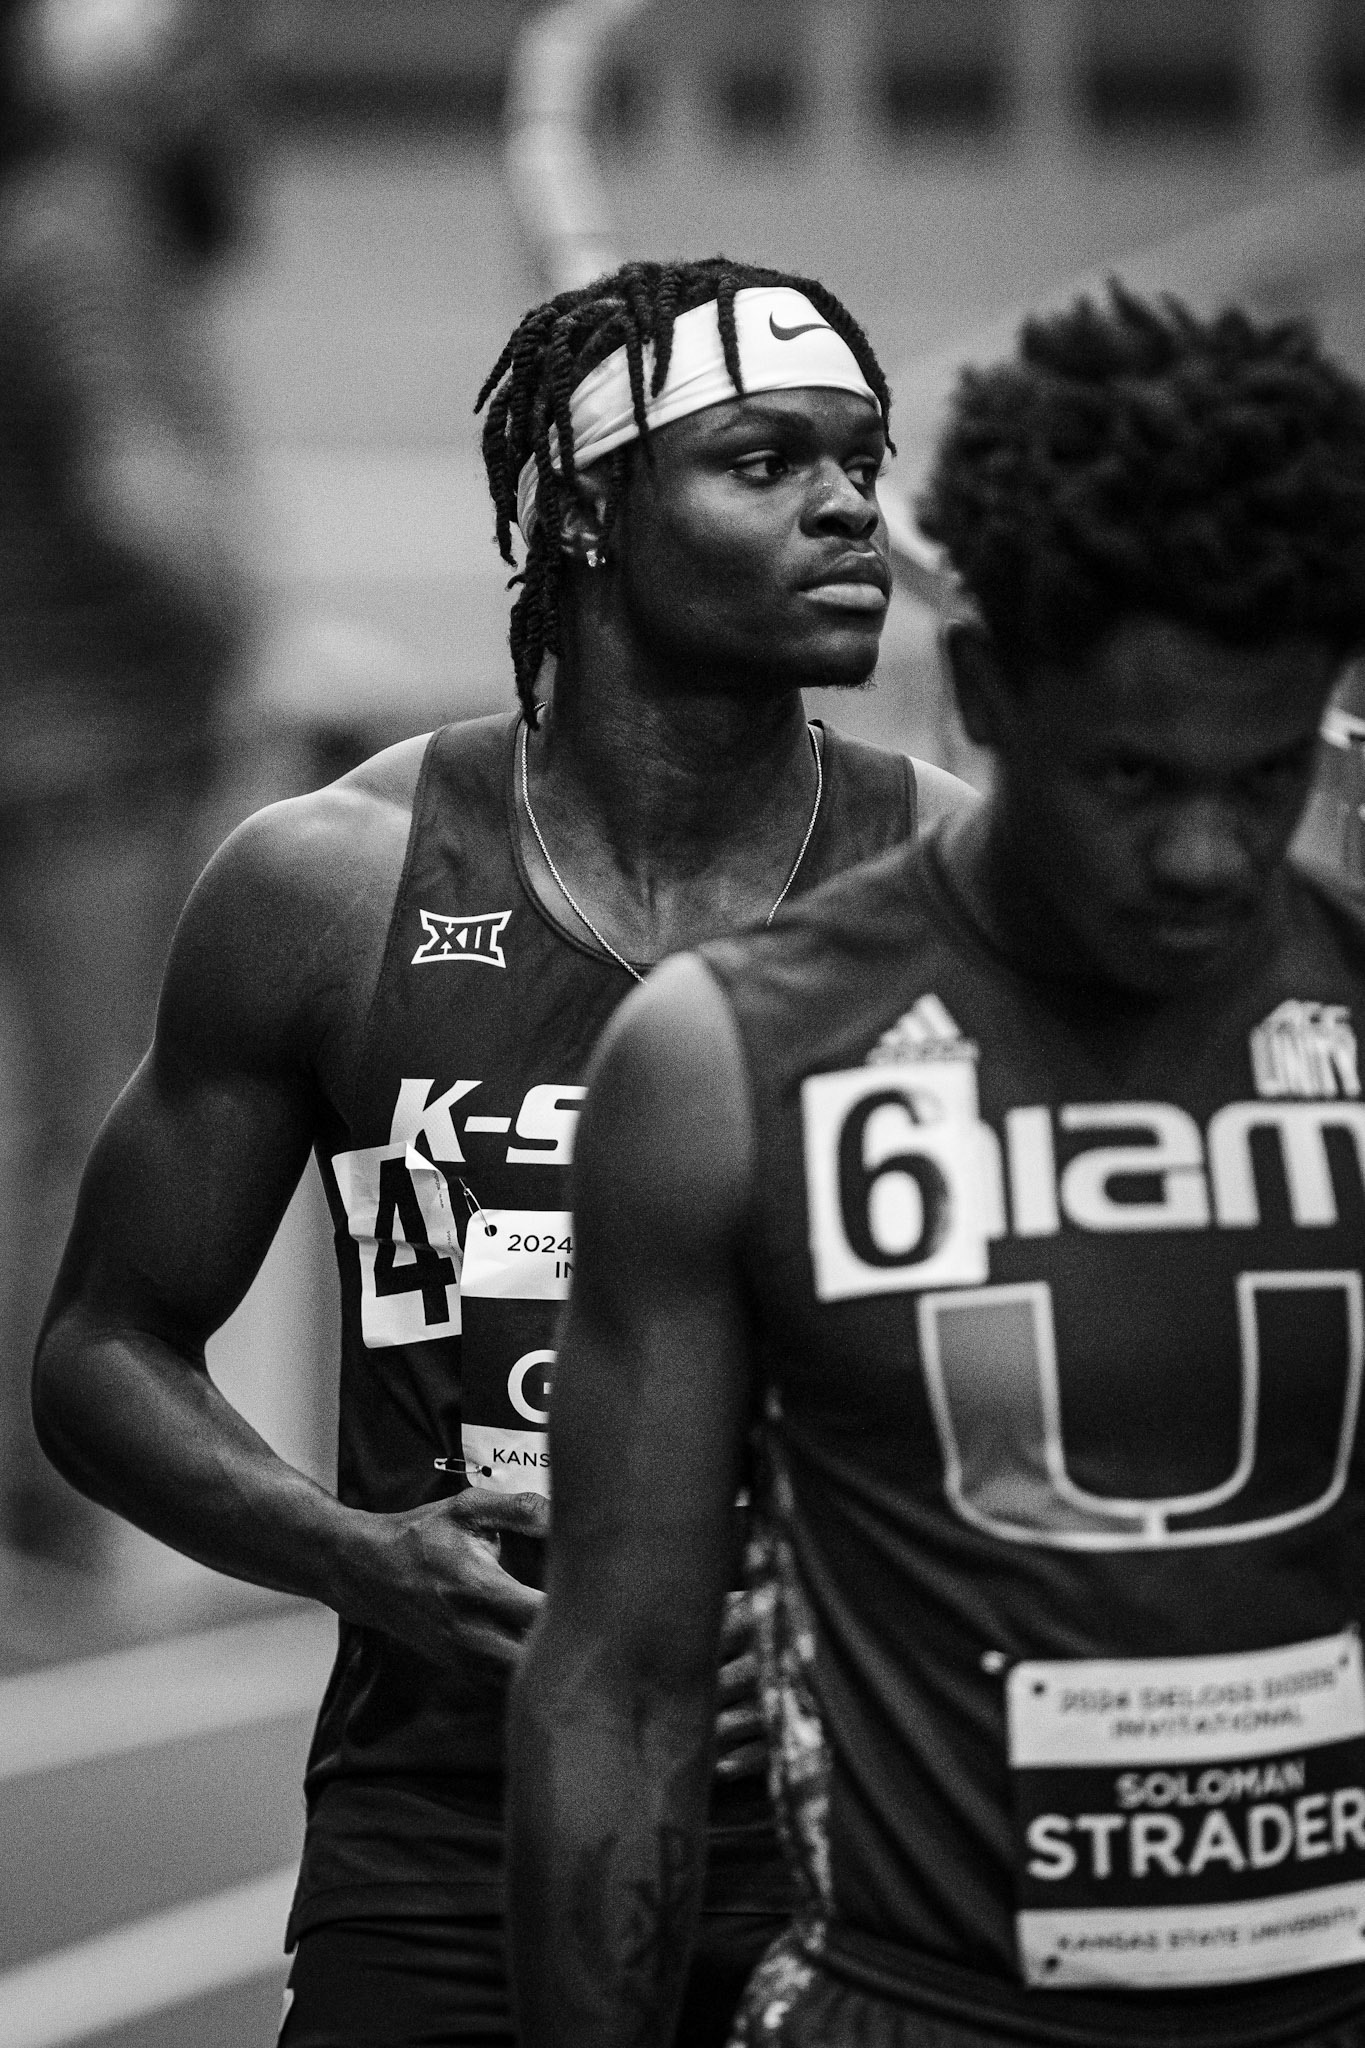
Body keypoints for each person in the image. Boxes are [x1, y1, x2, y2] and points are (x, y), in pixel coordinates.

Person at [33, 255, 973, 2046]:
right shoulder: (330, 882)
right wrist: (356, 1554)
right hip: (446, 1828)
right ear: (593, 513)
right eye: (766, 460)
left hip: (870, 1829)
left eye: (860, 457)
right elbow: (102, 1351)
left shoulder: (954, 890)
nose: (851, 504)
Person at [506, 284, 1365, 2048]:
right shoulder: (726, 1062)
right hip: (915, 2013)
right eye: (1130, 776)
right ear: (980, 693)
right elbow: (621, 1686)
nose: (1203, 855)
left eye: (1263, 776)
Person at [0, 0, 248, 1574]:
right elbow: (131, 488)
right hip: (82, 760)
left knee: (68, 1122)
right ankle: (46, 1519)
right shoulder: (80, 228)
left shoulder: (76, 215)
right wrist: (254, 643)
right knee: (88, 1131)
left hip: (71, 744)